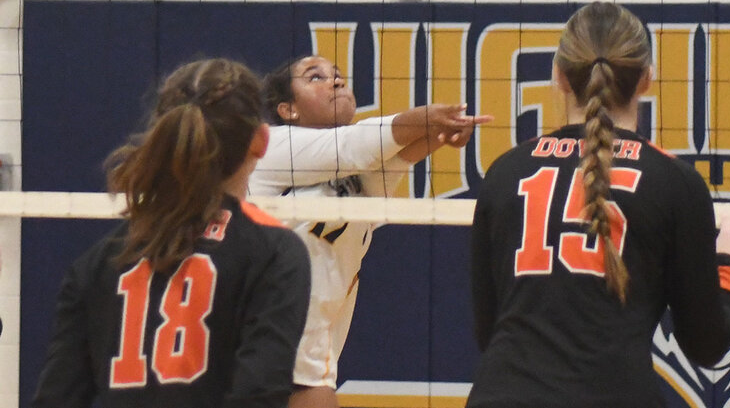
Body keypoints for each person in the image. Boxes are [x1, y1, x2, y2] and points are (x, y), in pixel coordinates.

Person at [467, 2, 730, 408]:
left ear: (558, 76)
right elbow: (705, 344)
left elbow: (490, 332)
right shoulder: (675, 182)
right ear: (646, 79)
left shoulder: (505, 172)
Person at [31, 58, 311, 408]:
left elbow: (56, 399)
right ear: (261, 141)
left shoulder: (99, 261)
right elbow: (258, 394)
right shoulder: (274, 251)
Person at [249, 54, 492, 408]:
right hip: (259, 327)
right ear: (288, 110)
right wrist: (427, 116)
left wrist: (441, 131)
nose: (335, 81)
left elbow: (392, 157)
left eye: (337, 74)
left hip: (314, 343)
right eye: (315, 77)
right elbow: (354, 145)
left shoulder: (358, 172)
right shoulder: (271, 147)